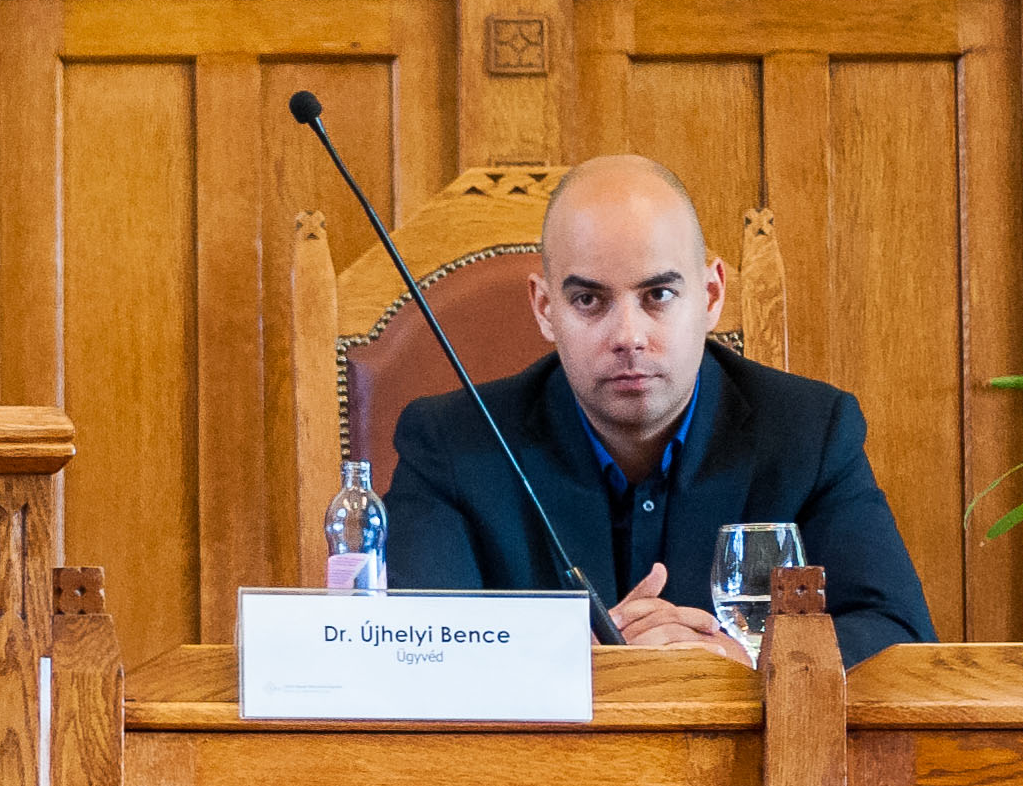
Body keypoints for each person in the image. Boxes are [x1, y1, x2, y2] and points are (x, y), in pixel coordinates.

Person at [384, 152, 932, 666]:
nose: (629, 336)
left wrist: (732, 661)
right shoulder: (450, 445)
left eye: (658, 296)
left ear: (711, 296)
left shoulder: (810, 433)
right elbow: (413, 657)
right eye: (589, 300)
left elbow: (899, 636)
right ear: (545, 308)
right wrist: (577, 665)